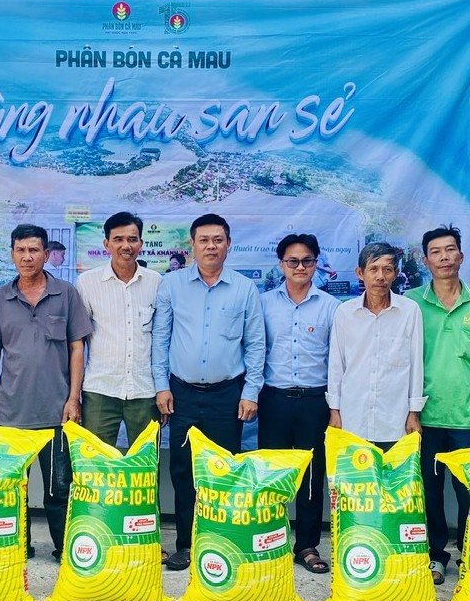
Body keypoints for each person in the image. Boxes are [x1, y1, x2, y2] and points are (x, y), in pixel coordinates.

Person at [151, 213, 265, 571]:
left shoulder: (244, 289)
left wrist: (251, 392)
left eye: (218, 240)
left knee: (223, 471)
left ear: (228, 244)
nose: (211, 246)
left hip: (227, 395)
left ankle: (220, 542)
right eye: (204, 240)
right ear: (192, 244)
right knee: (183, 470)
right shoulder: (172, 285)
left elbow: (255, 344)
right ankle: (186, 544)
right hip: (182, 394)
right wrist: (161, 386)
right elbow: (161, 339)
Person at [0, 224, 93, 561]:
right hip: (10, 413)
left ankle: (64, 548)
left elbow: (77, 347)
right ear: (12, 254)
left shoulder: (66, 294)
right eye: (21, 250)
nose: (27, 257)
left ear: (46, 254)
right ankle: (17, 545)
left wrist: (73, 399)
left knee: (59, 489)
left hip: (56, 412)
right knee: (13, 489)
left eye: (34, 250)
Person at [404, 224, 470, 585]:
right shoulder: (411, 302)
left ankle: (469, 555)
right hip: (424, 417)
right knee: (428, 492)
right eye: (436, 252)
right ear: (425, 260)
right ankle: (435, 556)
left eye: (450, 250)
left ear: (461, 255)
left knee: (468, 494)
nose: (444, 257)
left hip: (469, 417)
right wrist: (408, 411)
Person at [259, 233, 339, 573]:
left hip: (314, 402)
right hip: (274, 399)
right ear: (281, 265)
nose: (300, 267)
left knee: (310, 478)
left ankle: (306, 546)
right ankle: (268, 541)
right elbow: (255, 350)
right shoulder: (263, 303)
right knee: (271, 475)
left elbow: (337, 360)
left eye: (307, 260)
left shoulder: (331, 307)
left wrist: (335, 406)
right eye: (292, 261)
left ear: (316, 263)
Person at [327, 242, 425, 449]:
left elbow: (416, 365)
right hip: (353, 418)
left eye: (387, 269)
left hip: (395, 420)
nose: (380, 276)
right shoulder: (345, 313)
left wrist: (414, 412)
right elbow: (336, 366)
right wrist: (334, 411)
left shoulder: (410, 311)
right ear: (360, 273)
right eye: (373, 269)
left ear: (396, 274)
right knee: (354, 471)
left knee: (394, 471)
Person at [76, 212, 162, 447]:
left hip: (145, 391)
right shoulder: (87, 282)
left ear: (141, 243)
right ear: (107, 244)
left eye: (132, 239)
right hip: (100, 390)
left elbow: (163, 339)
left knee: (145, 463)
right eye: (118, 239)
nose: (126, 246)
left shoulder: (156, 282)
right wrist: (74, 395)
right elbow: (77, 343)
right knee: (95, 463)